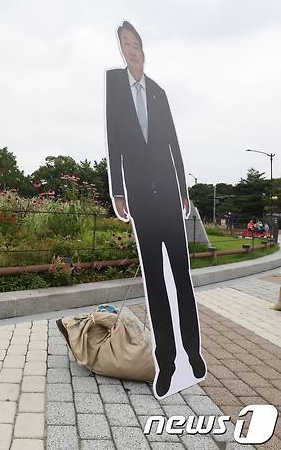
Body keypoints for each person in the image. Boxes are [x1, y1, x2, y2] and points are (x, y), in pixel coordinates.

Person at [105, 21, 206, 398]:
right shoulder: (114, 89)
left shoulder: (159, 92)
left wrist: (183, 189)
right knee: (156, 285)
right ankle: (167, 361)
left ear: (144, 50)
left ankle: (193, 354)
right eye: (125, 44)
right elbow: (114, 140)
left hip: (167, 193)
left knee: (181, 278)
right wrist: (118, 190)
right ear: (121, 50)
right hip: (140, 199)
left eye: (136, 44)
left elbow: (173, 143)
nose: (132, 50)